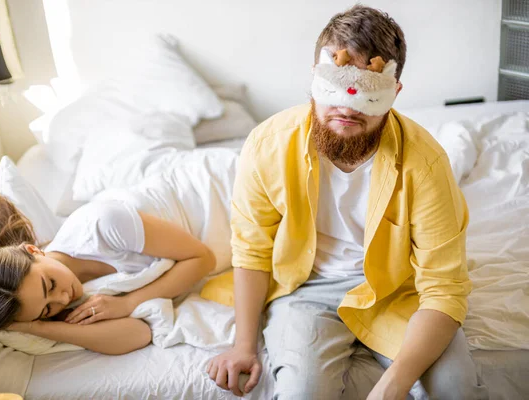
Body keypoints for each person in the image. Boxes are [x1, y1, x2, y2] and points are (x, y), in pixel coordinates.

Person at [204, 5, 489, 400]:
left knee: (458, 390)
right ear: (314, 77)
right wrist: (243, 346)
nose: (348, 107)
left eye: (368, 91)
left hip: (397, 291)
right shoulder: (268, 145)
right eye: (336, 85)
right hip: (304, 289)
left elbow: (443, 287)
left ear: (394, 92)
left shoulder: (426, 164)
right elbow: (252, 251)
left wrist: (394, 386)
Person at [0, 156, 226, 355]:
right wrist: (38, 327)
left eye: (49, 284)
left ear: (33, 250)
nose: (63, 298)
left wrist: (128, 303)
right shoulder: (53, 305)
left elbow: (203, 259)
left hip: (220, 192)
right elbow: (139, 335)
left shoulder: (103, 224)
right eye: (47, 309)